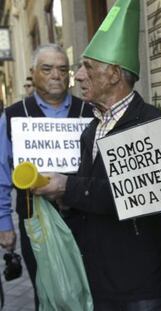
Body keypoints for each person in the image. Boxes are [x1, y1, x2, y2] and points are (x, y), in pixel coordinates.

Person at [33, 0, 161, 310]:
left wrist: (68, 187)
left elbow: (137, 194)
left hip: (142, 285)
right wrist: (61, 199)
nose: (78, 75)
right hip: (99, 280)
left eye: (88, 66)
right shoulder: (91, 128)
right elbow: (93, 192)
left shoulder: (153, 124)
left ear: (115, 74)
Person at [0, 43, 94, 309]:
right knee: (49, 292)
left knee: (90, 288)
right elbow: (1, 175)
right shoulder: (13, 116)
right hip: (36, 225)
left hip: (86, 220)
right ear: (32, 73)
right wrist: (4, 223)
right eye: (48, 68)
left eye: (63, 69)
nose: (57, 75)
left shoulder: (89, 112)